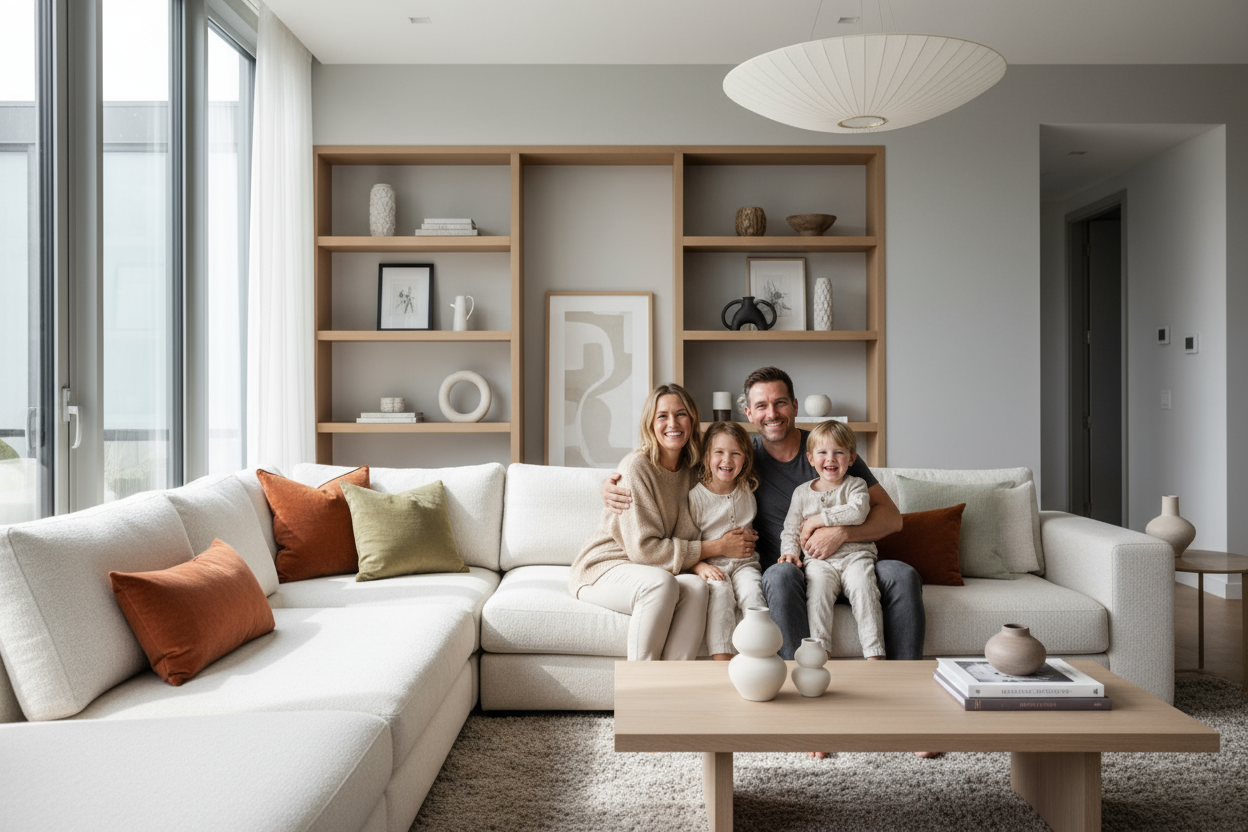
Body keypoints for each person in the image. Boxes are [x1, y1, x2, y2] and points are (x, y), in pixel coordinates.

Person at [601, 366, 924, 662]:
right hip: (788, 569)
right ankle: (796, 676)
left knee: (903, 574)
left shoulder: (827, 450)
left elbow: (892, 518)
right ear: (749, 413)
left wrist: (841, 533)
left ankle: (905, 682)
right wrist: (612, 483)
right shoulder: (742, 457)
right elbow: (673, 456)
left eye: (780, 403)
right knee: (779, 577)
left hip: (853, 558)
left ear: (794, 406)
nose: (772, 414)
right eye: (761, 406)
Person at [569, 383, 757, 661]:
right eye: (662, 416)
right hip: (607, 566)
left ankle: (674, 682)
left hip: (654, 567)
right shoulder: (636, 468)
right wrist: (718, 547)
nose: (673, 423)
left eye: (681, 414)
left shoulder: (696, 467)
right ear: (651, 423)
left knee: (697, 588)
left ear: (692, 420)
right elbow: (644, 551)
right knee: (662, 584)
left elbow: (732, 458)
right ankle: (641, 682)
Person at [779, 420, 884, 661]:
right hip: (818, 561)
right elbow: (791, 529)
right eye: (823, 453)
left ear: (851, 458)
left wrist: (819, 520)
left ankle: (875, 654)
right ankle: (821, 654)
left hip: (856, 557)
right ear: (810, 458)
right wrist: (790, 552)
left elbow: (858, 512)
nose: (831, 459)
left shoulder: (856, 485)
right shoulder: (801, 493)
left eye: (839, 452)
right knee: (817, 595)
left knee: (864, 589)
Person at [687, 421, 765, 661]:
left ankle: (758, 653)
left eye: (735, 453)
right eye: (719, 452)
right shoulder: (696, 497)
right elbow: (688, 542)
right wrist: (699, 566)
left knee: (753, 593)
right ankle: (722, 659)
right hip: (713, 566)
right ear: (706, 457)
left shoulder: (747, 489)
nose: (727, 460)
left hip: (745, 564)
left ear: (745, 459)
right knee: (720, 595)